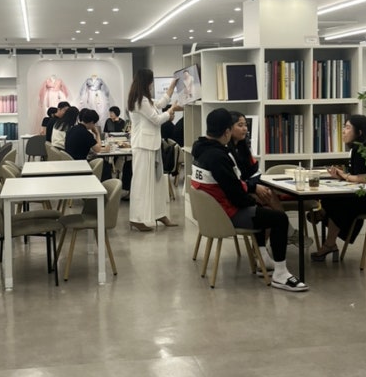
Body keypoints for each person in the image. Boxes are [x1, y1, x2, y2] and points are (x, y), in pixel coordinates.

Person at [192, 108, 307, 292]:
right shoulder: (219, 156)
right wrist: (253, 200)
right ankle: (280, 274)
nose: (244, 129)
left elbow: (234, 185)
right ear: (227, 132)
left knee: (261, 209)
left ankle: (263, 257)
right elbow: (236, 195)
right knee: (279, 218)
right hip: (227, 214)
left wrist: (251, 197)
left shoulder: (200, 149)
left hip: (214, 213)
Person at [310, 114, 366, 261]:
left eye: (348, 127)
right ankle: (327, 234)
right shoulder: (358, 150)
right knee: (330, 200)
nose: (343, 131)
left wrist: (345, 176)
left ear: (359, 132)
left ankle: (327, 235)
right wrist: (342, 176)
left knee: (339, 204)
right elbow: (358, 176)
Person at [127, 68, 180, 231]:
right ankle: (136, 218)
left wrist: (172, 86)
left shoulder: (144, 99)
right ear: (147, 82)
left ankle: (160, 214)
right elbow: (156, 119)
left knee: (157, 181)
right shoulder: (139, 100)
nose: (152, 84)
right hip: (143, 146)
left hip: (150, 144)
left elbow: (160, 104)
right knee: (141, 183)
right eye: (151, 81)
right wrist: (170, 112)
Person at [64, 108, 112, 179]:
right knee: (106, 165)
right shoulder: (86, 133)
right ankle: (100, 183)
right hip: (80, 163)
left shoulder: (72, 129)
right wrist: (97, 134)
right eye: (94, 123)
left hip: (70, 161)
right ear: (92, 122)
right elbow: (98, 149)